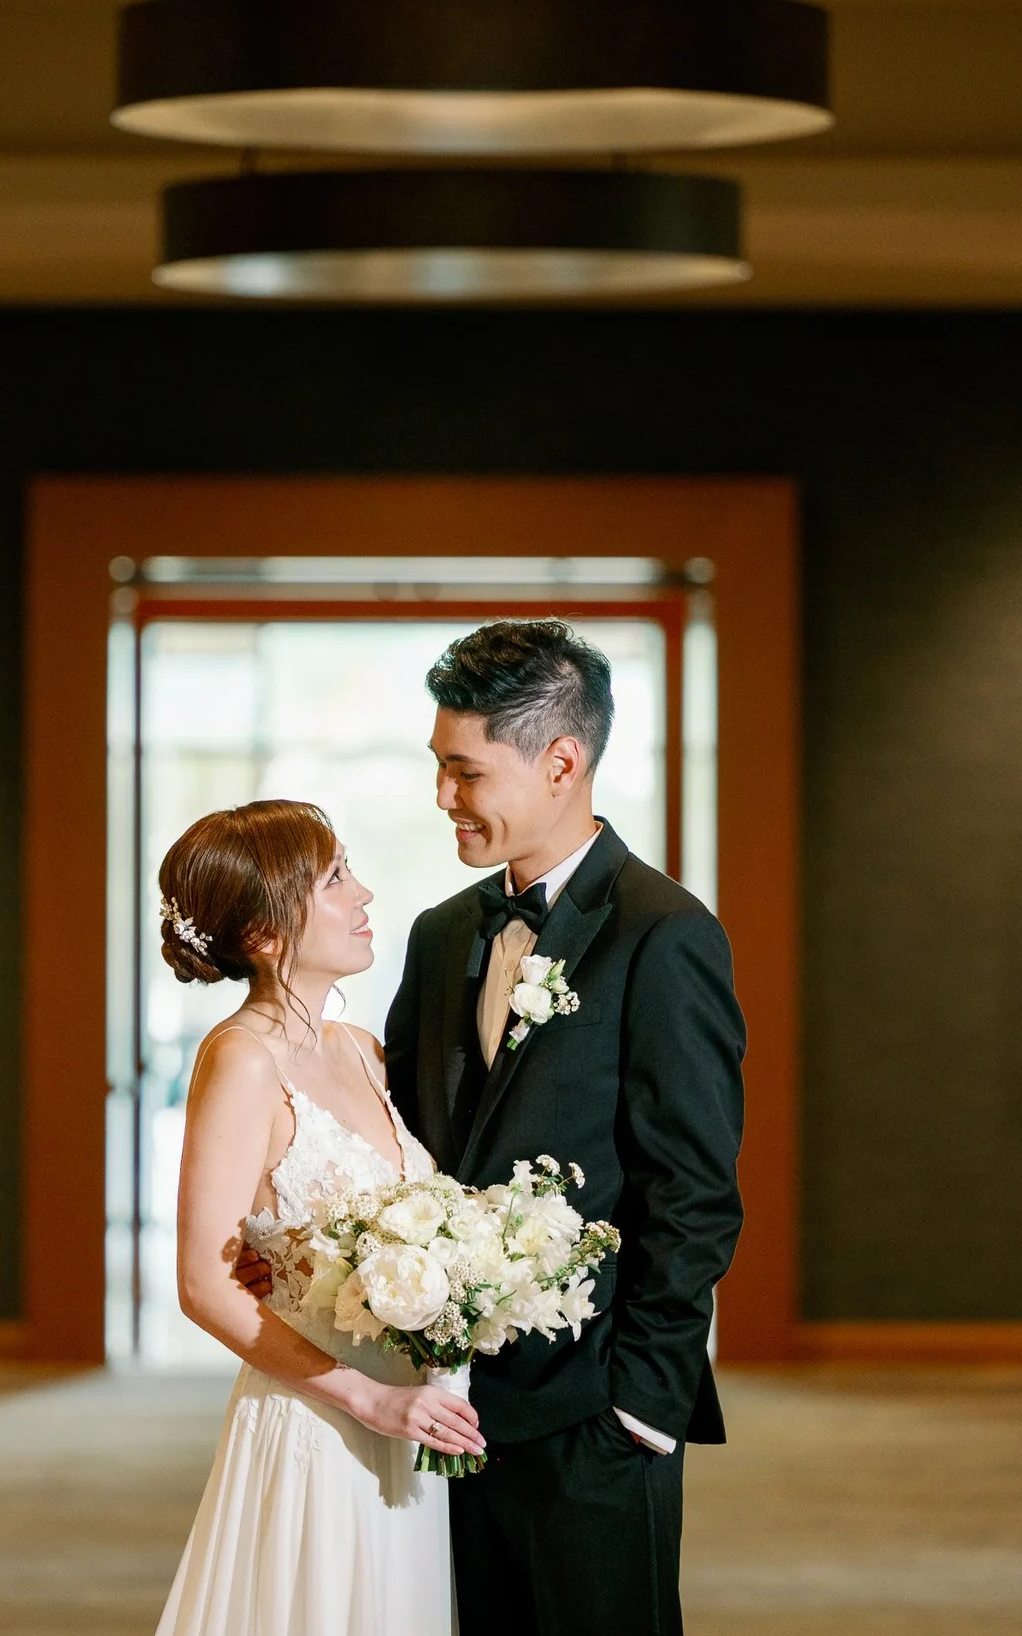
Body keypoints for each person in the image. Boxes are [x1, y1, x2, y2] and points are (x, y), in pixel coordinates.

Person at [243, 620, 748, 1636]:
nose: (444, 798)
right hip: (436, 1410)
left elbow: (691, 1192)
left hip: (592, 1416)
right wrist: (298, 1250)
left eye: (465, 772)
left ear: (561, 762)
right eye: (438, 768)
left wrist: (639, 1411)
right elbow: (402, 1145)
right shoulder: (438, 937)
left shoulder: (666, 934)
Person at [151, 799, 479, 1636]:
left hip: (412, 1421)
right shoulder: (240, 1061)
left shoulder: (361, 1049)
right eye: (335, 878)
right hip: (323, 1421)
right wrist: (369, 1400)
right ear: (264, 932)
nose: (363, 892)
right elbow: (202, 1284)